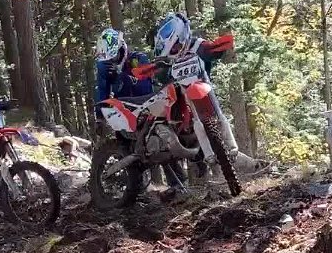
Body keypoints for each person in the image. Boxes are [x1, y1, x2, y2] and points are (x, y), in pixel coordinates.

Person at [149, 12, 263, 176]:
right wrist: (155, 70)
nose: (175, 50)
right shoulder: (169, 58)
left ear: (182, 37)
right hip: (184, 101)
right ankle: (219, 169)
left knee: (219, 122)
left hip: (204, 88)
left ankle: (249, 165)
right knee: (189, 125)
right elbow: (161, 75)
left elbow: (211, 50)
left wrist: (219, 46)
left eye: (176, 46)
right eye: (172, 49)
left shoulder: (197, 45)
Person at [95, 28, 188, 195]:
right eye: (110, 58)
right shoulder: (103, 65)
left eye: (115, 56)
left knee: (161, 143)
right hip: (124, 110)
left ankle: (177, 185)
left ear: (122, 48)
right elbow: (102, 90)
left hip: (146, 106)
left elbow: (144, 86)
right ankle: (130, 189)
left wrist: (121, 76)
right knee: (125, 148)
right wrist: (99, 117)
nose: (113, 60)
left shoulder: (138, 59)